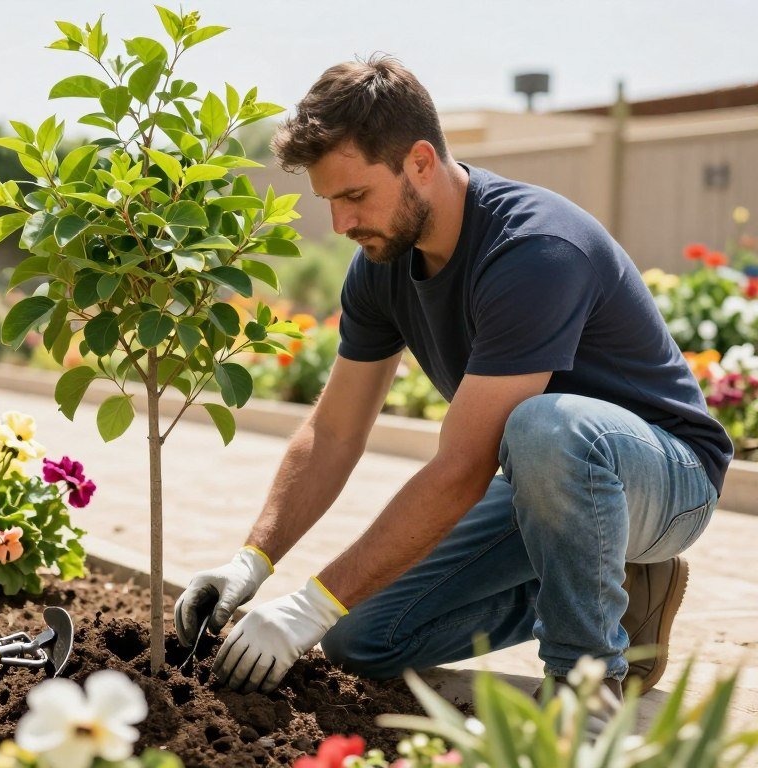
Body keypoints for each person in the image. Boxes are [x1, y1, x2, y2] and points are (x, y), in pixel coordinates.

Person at [173, 56, 733, 707]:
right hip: (548, 486)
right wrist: (252, 562)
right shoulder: (382, 264)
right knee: (361, 638)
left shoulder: (534, 249)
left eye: (354, 196)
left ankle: (584, 687)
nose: (341, 225)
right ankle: (627, 595)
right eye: (330, 202)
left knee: (542, 426)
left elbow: (463, 468)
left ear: (419, 162)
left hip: (666, 479)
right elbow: (333, 432)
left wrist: (308, 604)